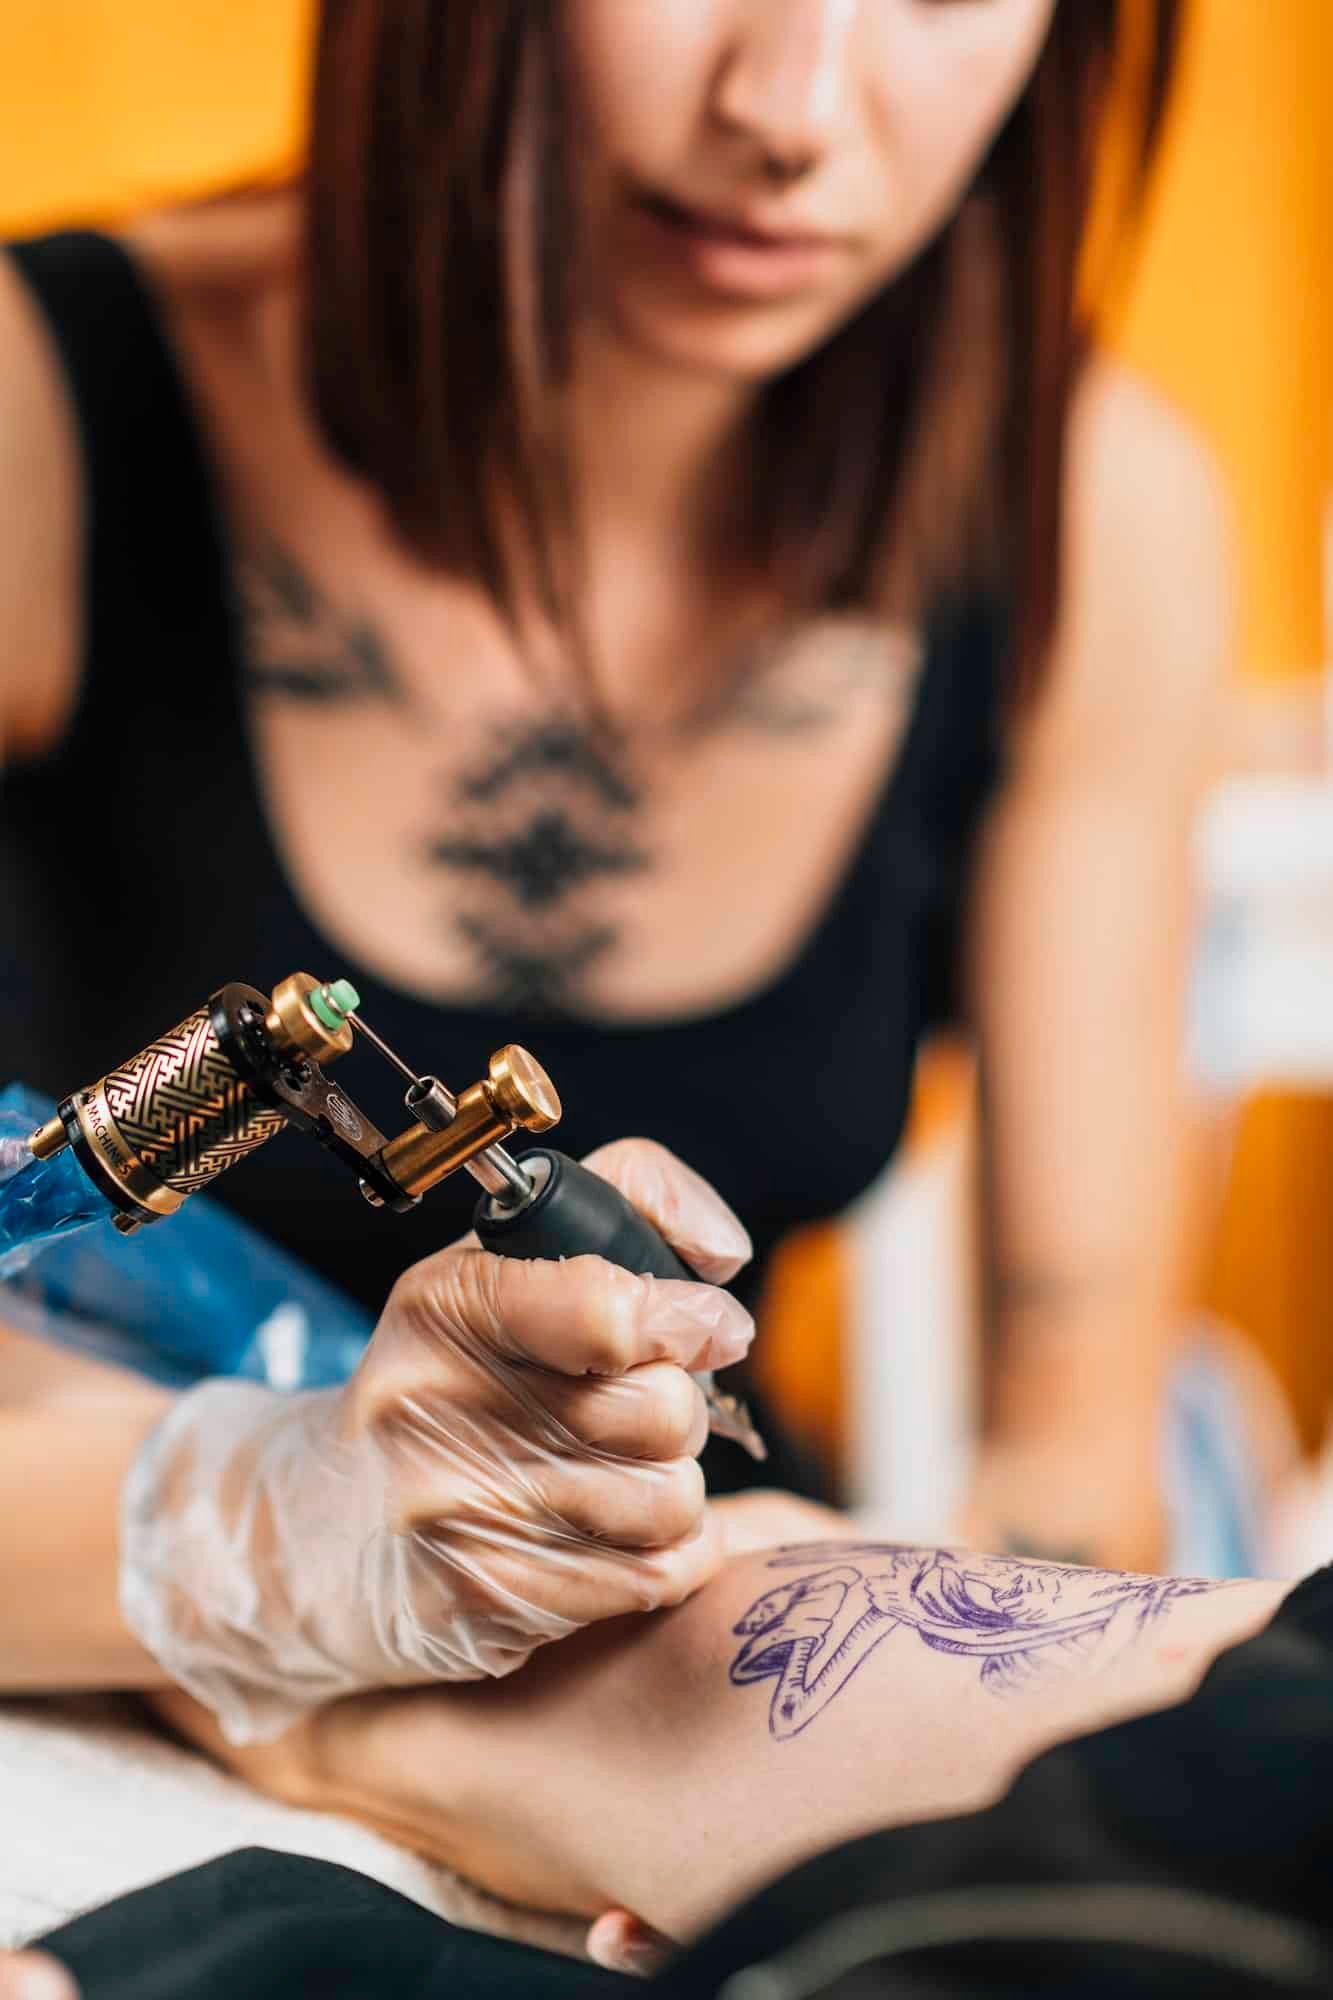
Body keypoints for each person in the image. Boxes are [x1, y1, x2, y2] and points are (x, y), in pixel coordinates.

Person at [0, 0, 1222, 1731]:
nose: (790, 108)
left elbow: (1075, 1475)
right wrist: (266, 1545)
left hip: (669, 1653)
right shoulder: (36, 412)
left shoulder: (1096, 518)